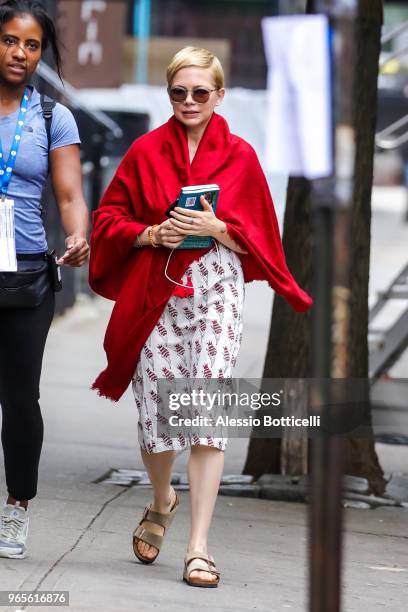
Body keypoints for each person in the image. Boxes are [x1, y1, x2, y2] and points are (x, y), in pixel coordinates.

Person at [89, 46, 312, 588]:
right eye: (178, 92)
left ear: (220, 96)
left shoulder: (240, 156)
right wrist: (148, 233)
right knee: (160, 418)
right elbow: (108, 218)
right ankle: (163, 497)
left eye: (200, 93)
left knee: (207, 410)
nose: (189, 101)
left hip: (217, 289)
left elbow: (260, 234)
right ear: (169, 94)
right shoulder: (144, 151)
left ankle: (198, 546)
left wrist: (218, 229)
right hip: (156, 291)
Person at [0, 0, 89, 559]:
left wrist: (78, 236)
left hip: (26, 275)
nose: (19, 53)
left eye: (31, 45)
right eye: (10, 40)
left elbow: (70, 195)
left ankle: (17, 508)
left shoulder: (54, 117)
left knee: (19, 397)